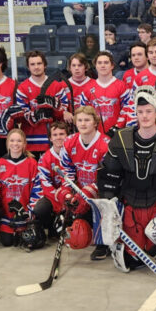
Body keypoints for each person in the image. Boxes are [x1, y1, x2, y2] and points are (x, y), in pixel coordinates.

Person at [97, 87, 156, 271]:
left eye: (149, 111)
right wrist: (109, 206)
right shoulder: (121, 138)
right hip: (130, 207)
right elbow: (109, 176)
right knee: (132, 260)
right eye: (140, 112)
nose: (144, 116)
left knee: (154, 252)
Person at [59, 105, 111, 260]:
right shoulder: (69, 142)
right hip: (81, 190)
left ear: (95, 122)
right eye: (79, 120)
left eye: (87, 120)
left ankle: (104, 244)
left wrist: (89, 191)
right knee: (75, 211)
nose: (83, 123)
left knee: (102, 205)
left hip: (103, 189)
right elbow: (66, 171)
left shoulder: (105, 143)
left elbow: (107, 176)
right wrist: (67, 191)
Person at [0, 128, 41, 247]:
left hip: (25, 214)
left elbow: (38, 190)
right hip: (7, 215)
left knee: (31, 241)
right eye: (12, 140)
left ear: (24, 144)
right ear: (7, 143)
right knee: (7, 242)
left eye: (19, 141)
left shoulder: (32, 163)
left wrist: (28, 213)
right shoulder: (0, 163)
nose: (15, 144)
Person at [14, 50, 70, 155]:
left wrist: (54, 109)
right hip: (31, 141)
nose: (36, 67)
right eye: (32, 64)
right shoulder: (23, 88)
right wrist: (37, 114)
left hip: (54, 142)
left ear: (45, 65)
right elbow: (23, 115)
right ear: (28, 67)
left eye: (39, 63)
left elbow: (64, 113)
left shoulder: (56, 86)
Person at [31, 120, 70, 249]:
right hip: (53, 196)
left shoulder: (72, 154)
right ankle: (51, 226)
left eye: (62, 134)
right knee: (40, 209)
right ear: (50, 138)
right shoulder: (44, 158)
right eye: (55, 134)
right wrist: (59, 205)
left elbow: (73, 179)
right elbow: (45, 184)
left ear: (67, 136)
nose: (59, 137)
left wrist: (66, 200)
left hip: (70, 195)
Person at [83, 51, 134, 136]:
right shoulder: (88, 88)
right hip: (94, 136)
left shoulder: (122, 86)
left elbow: (128, 108)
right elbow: (83, 112)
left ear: (112, 66)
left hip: (117, 134)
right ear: (95, 65)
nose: (103, 65)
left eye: (106, 62)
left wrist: (118, 127)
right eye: (99, 63)